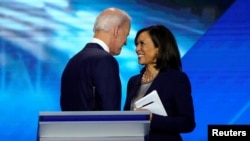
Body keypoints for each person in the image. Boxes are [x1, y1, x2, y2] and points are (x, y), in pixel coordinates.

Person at [123, 25, 195, 141]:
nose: (137, 49)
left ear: (159, 47)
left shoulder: (176, 79)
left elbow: (187, 123)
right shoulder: (133, 81)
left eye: (142, 43)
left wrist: (152, 119)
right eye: (136, 44)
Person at [60, 7, 131, 111]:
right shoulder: (105, 60)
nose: (125, 42)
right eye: (126, 35)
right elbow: (111, 114)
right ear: (116, 30)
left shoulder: (73, 61)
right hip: (97, 127)